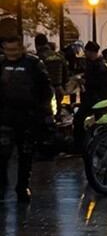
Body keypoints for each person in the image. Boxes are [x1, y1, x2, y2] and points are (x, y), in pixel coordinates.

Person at [0, 34, 53, 202]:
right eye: (8, 50)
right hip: (5, 116)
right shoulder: (1, 64)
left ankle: (22, 188)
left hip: (28, 116)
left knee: (25, 155)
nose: (12, 53)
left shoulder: (33, 64)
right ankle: (2, 188)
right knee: (3, 155)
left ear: (21, 47)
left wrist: (43, 112)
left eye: (14, 49)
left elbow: (46, 89)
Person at [73, 41, 107, 153]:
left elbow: (101, 83)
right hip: (95, 99)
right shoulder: (95, 63)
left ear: (92, 52)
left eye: (87, 52)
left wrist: (84, 81)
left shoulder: (100, 66)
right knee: (95, 122)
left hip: (97, 99)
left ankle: (82, 146)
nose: (85, 54)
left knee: (81, 119)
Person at [34, 33, 67, 119]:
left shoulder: (38, 58)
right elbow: (65, 72)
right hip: (59, 88)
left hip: (45, 90)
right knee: (58, 114)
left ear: (36, 45)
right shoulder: (58, 56)